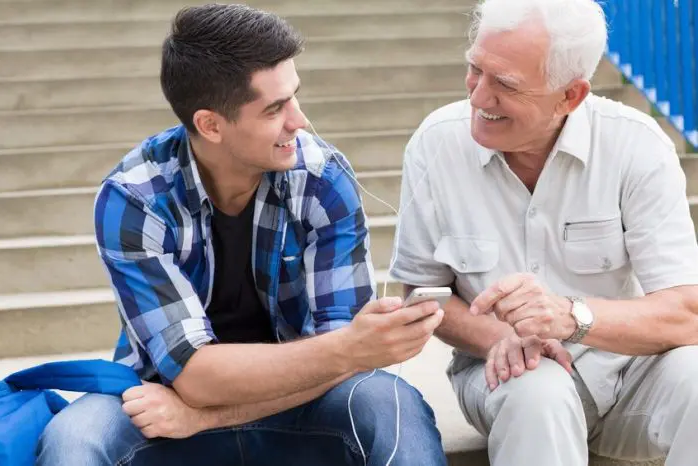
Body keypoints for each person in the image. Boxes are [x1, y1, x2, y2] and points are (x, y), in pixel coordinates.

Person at [36, 4, 448, 466]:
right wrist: (346, 349)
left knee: (390, 406)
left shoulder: (321, 177)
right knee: (75, 436)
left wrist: (206, 418)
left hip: (302, 399)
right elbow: (194, 376)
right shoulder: (134, 199)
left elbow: (347, 360)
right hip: (160, 400)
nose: (300, 121)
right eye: (275, 109)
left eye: (294, 97)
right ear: (210, 124)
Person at [389, 0, 698, 465]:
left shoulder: (637, 145)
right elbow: (422, 291)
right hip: (505, 375)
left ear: (570, 96)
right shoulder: (436, 143)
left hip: (631, 370)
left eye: (505, 85)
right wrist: (500, 338)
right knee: (538, 391)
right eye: (475, 69)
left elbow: (685, 313)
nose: (477, 97)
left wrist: (573, 317)